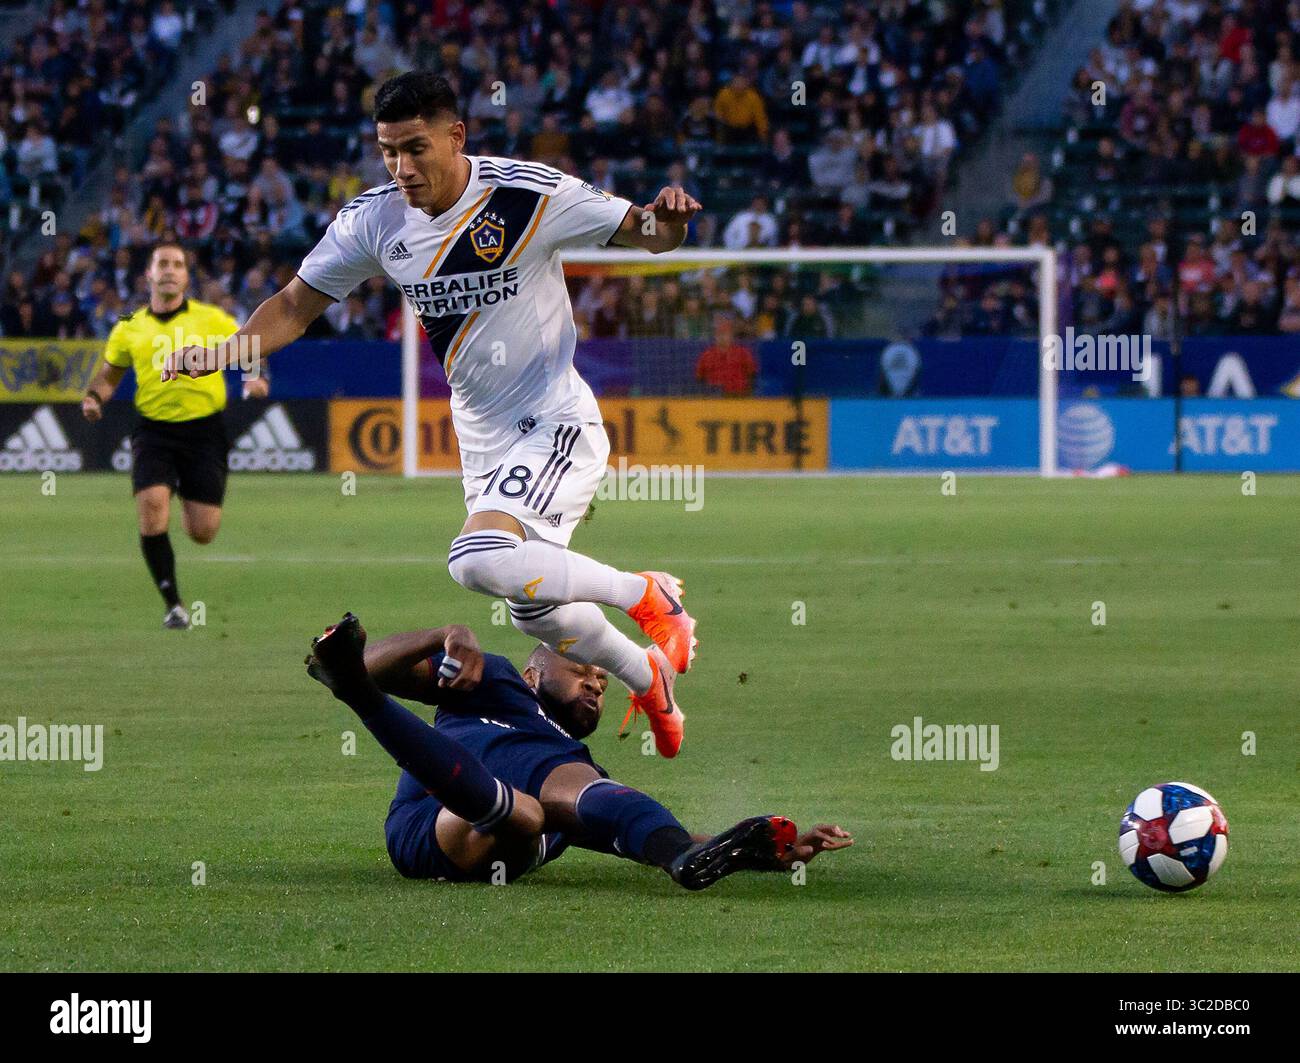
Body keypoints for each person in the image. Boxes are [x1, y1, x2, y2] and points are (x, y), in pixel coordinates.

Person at [162, 71, 703, 755]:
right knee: (534, 607)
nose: (402, 167)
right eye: (388, 151)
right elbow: (296, 304)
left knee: (477, 560)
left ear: (456, 136)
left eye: (416, 149)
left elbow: (645, 234)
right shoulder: (375, 220)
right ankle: (649, 678)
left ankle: (645, 592)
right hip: (481, 440)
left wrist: (667, 221)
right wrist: (227, 351)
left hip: (556, 421)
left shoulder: (526, 194)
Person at [306, 613, 853, 887]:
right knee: (540, 804)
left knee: (534, 812)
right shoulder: (496, 680)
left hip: (500, 837)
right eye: (580, 670)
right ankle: (359, 698)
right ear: (533, 673)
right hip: (428, 820)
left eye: (602, 681)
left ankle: (680, 863)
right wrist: (444, 634)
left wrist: (760, 851)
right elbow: (363, 665)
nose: (594, 681)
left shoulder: (582, 768)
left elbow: (630, 830)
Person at [80, 242, 269, 629]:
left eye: (177, 264)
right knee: (151, 508)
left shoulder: (211, 318)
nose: (169, 270)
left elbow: (250, 345)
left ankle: (183, 492)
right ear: (148, 274)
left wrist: (254, 377)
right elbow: (109, 376)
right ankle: (173, 605)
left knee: (203, 531)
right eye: (162, 263)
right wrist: (94, 398)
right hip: (154, 431)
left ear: (186, 277)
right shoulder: (128, 325)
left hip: (205, 432)